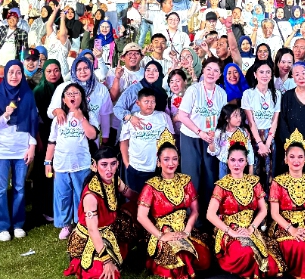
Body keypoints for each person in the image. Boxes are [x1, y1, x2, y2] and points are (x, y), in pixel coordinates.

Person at [137, 130, 212, 279]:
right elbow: (141, 216)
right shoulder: (151, 186)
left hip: (184, 228)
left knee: (205, 258)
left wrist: (187, 230)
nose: (171, 163)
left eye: (174, 159)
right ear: (158, 162)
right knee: (178, 259)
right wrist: (161, 236)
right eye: (166, 159)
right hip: (163, 231)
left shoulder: (185, 180)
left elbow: (195, 210)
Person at [206, 135, 281, 278]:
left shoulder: (254, 182)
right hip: (229, 231)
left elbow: (263, 210)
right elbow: (210, 214)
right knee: (246, 251)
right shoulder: (222, 185)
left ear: (246, 162)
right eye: (233, 160)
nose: (236, 164)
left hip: (250, 228)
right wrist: (231, 232)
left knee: (271, 264)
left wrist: (251, 228)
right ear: (227, 161)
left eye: (241, 160)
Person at [0, 60, 39, 242]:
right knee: (0, 189)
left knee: (19, 188)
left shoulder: (27, 94)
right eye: (11, 72)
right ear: (6, 74)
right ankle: (1, 226)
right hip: (0, 149)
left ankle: (18, 224)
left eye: (18, 72)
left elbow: (33, 122)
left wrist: (32, 147)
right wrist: (6, 114)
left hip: (21, 149)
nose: (15, 76)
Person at [65, 145, 134, 279]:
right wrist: (106, 260)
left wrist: (150, 199)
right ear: (94, 166)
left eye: (113, 164)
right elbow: (92, 230)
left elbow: (129, 193)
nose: (109, 169)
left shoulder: (114, 179)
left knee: (138, 209)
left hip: (109, 229)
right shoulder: (91, 196)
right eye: (104, 165)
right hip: (90, 237)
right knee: (106, 274)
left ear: (118, 164)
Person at [46, 82, 99, 240]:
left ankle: (81, 224)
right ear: (63, 99)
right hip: (61, 165)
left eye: (76, 93)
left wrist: (82, 118)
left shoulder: (88, 115)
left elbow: (93, 135)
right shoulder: (58, 119)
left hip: (81, 164)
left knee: (81, 195)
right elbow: (52, 142)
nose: (72, 96)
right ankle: (65, 224)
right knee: (63, 196)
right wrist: (47, 162)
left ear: (81, 97)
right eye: (69, 94)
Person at [269, 130, 305, 279]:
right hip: (283, 226)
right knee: (297, 244)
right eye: (292, 157)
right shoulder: (278, 182)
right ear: (286, 159)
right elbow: (274, 213)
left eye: (300, 157)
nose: (296, 161)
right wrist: (292, 230)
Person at [175, 59, 227, 212]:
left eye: (216, 70)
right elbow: (182, 115)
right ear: (203, 70)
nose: (211, 73)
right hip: (191, 137)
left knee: (210, 177)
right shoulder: (194, 90)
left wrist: (214, 133)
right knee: (192, 177)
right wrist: (199, 132)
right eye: (209, 69)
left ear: (220, 75)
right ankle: (192, 218)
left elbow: (222, 118)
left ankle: (208, 217)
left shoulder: (221, 93)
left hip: (211, 140)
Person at [119, 88, 174, 194]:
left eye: (153, 102)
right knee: (136, 201)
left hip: (157, 168)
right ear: (138, 103)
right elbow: (124, 143)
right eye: (146, 102)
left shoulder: (163, 117)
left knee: (158, 201)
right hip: (136, 168)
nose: (150, 105)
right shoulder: (131, 119)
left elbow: (171, 141)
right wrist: (127, 164)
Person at [242, 60, 280, 188]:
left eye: (268, 72)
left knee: (270, 170)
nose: (265, 75)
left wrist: (268, 143)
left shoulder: (276, 94)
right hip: (254, 136)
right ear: (255, 74)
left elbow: (275, 121)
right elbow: (251, 121)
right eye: (261, 72)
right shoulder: (248, 94)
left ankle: (269, 199)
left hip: (269, 136)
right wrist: (259, 143)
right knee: (254, 168)